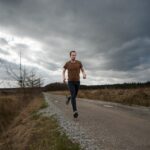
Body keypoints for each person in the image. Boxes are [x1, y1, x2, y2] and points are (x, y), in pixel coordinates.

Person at [62, 50, 86, 118]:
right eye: (72, 55)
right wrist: (63, 78)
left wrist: (84, 74)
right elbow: (63, 71)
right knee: (73, 95)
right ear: (70, 56)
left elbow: (82, 69)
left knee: (74, 96)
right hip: (70, 82)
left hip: (77, 81)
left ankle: (69, 98)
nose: (74, 56)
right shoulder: (67, 63)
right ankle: (75, 111)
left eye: (75, 55)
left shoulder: (79, 62)